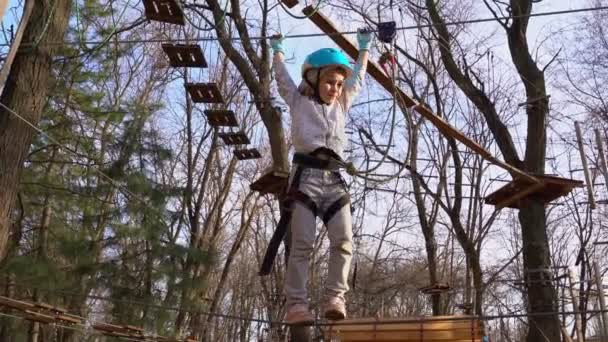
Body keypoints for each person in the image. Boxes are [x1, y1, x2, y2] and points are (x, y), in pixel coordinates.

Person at [269, 29, 372, 324]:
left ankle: (335, 297)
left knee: (344, 241)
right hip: (306, 179)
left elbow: (357, 79)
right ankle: (296, 304)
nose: (335, 88)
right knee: (303, 243)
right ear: (313, 80)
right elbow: (282, 79)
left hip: (335, 180)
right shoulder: (298, 101)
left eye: (338, 84)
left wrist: (364, 49)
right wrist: (277, 51)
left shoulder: (342, 103)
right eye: (329, 81)